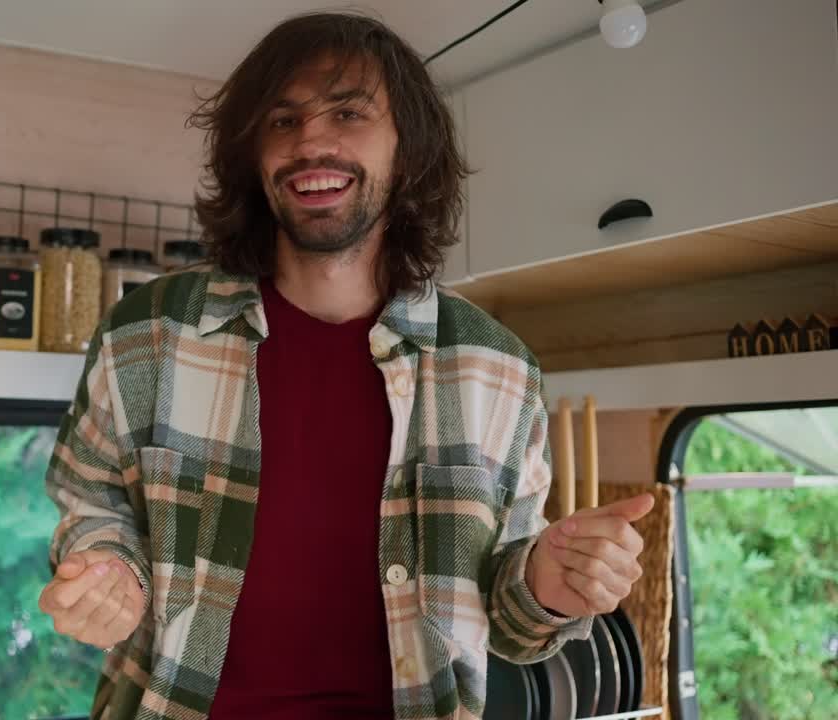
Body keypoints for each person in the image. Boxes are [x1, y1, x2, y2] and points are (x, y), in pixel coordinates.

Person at [39, 11, 653, 720]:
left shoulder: (498, 369)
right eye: (282, 121)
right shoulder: (146, 333)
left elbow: (511, 623)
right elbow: (92, 505)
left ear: (409, 150)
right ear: (253, 157)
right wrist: (109, 573)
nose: (311, 141)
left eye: (349, 112)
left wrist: (549, 585)